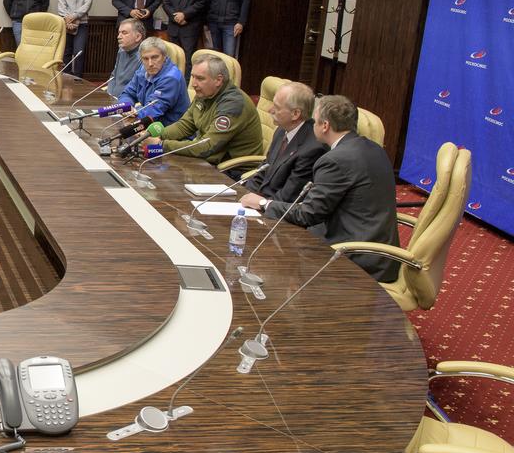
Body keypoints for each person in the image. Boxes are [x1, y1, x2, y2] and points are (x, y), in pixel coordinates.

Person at [241, 95, 399, 282]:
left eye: (314, 121)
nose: (312, 126)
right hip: (380, 254)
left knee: (275, 257)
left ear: (325, 126)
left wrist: (263, 203)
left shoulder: (335, 160)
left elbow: (307, 215)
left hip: (356, 257)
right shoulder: (374, 148)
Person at [144, 52, 262, 169]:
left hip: (231, 171)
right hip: (208, 160)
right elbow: (184, 126)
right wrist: (151, 135)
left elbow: (207, 146)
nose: (194, 84)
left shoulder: (233, 104)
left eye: (200, 78)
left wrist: (161, 145)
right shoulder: (205, 93)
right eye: (193, 77)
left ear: (218, 80)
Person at [237, 82, 326, 209]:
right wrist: (247, 195)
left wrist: (261, 204)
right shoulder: (281, 130)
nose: (270, 110)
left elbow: (289, 196)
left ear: (295, 114)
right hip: (260, 201)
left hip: (276, 211)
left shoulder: (312, 148)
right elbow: (263, 170)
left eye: (277, 107)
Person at [116, 37, 190, 126]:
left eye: (154, 57)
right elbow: (127, 93)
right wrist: (126, 107)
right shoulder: (143, 70)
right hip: (149, 125)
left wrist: (132, 116)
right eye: (145, 59)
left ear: (164, 56)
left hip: (170, 131)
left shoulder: (171, 78)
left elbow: (153, 110)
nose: (150, 63)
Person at [161, 0, 208, 67]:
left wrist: (184, 15)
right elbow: (166, 3)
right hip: (174, 27)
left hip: (190, 27)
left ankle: (186, 83)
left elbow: (201, 3)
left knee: (187, 60)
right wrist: (176, 17)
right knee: (172, 58)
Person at [56, 0, 93, 78]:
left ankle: (77, 79)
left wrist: (75, 16)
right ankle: (66, 77)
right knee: (66, 52)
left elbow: (87, 4)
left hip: (81, 23)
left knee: (79, 52)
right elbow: (61, 2)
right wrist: (67, 18)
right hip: (66, 23)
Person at [106, 19, 146, 97]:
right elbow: (113, 76)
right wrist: (109, 95)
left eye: (124, 33)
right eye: (119, 33)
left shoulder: (146, 56)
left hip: (128, 103)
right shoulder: (121, 50)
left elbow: (139, 88)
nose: (118, 37)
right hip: (113, 100)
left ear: (138, 37)